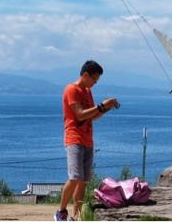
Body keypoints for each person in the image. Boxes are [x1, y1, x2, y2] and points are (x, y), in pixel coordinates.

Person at [55, 60, 119, 222]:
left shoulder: (87, 91)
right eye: (94, 80)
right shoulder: (72, 89)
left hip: (87, 139)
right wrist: (101, 106)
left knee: (83, 181)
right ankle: (61, 211)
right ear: (85, 75)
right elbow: (80, 114)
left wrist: (106, 107)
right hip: (74, 137)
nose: (94, 84)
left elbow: (93, 116)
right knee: (75, 177)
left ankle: (77, 215)